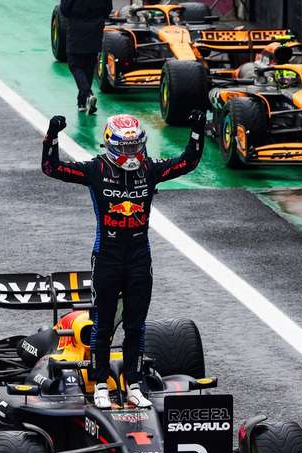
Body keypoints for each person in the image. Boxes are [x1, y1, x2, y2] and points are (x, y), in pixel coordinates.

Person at [41, 111, 205, 408]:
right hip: (107, 256)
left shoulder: (150, 169)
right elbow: (51, 168)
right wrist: (53, 135)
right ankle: (100, 383)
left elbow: (188, 162)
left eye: (135, 147)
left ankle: (133, 383)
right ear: (110, 144)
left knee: (136, 325)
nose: (131, 153)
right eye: (125, 148)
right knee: (102, 324)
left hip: (140, 257)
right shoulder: (95, 168)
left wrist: (196, 128)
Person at [60, 0, 112, 114]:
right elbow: (108, 8)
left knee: (74, 65)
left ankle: (88, 94)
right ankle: (82, 103)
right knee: (89, 65)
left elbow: (64, 9)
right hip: (96, 28)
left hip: (76, 28)